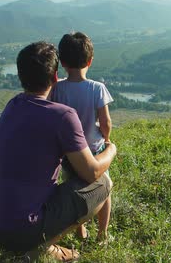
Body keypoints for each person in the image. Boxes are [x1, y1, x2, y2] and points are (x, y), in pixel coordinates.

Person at [0, 41, 116, 262]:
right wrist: (111, 149)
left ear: (21, 76)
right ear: (55, 77)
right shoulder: (63, 116)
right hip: (21, 229)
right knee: (103, 183)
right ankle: (40, 247)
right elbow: (91, 172)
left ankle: (35, 242)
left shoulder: (12, 105)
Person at [50, 32, 114, 243]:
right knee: (105, 188)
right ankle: (102, 234)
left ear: (63, 63)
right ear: (90, 60)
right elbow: (105, 122)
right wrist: (107, 139)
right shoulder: (97, 88)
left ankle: (81, 231)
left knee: (76, 191)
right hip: (94, 151)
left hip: (69, 153)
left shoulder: (58, 89)